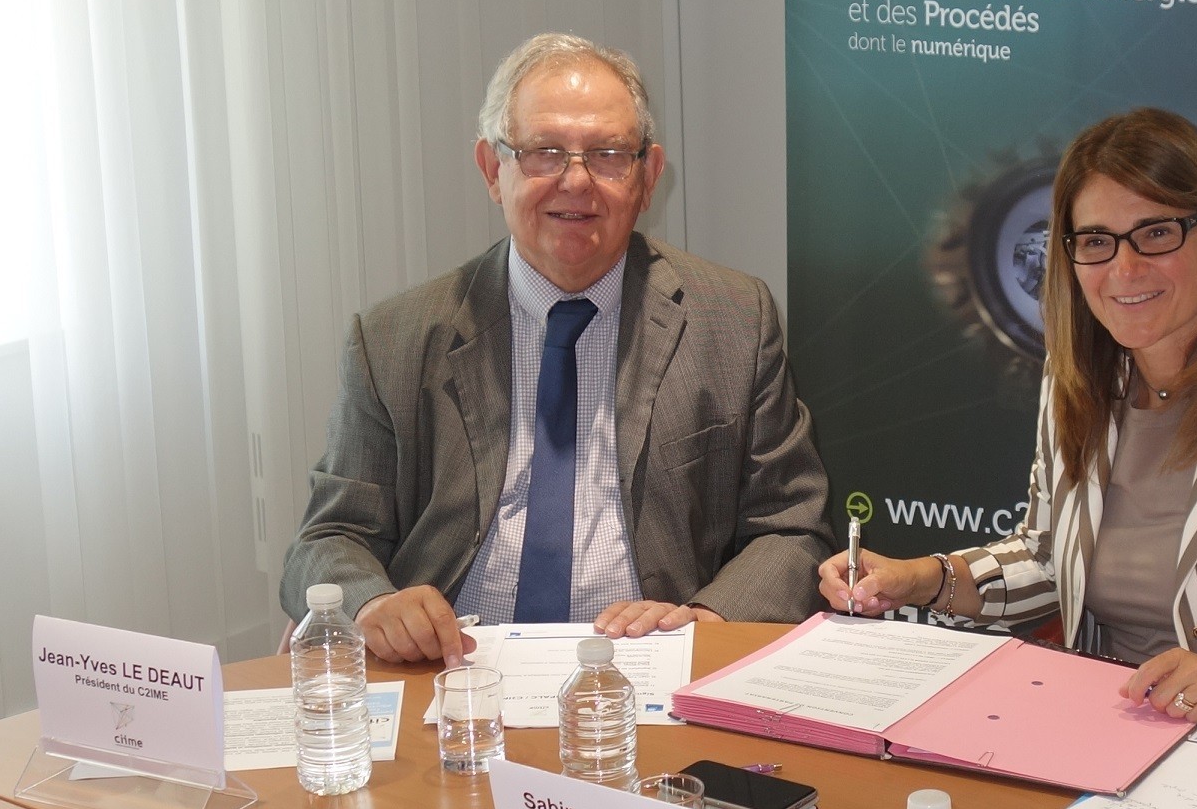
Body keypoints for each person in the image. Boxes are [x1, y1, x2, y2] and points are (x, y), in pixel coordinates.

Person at [823, 107, 1197, 760]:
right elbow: (1047, 561)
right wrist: (922, 578)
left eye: (1156, 234)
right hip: (1117, 745)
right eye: (1096, 241)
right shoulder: (1077, 381)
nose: (1124, 268)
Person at [283, 32, 828, 660]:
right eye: (544, 152)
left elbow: (792, 527)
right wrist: (374, 605)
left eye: (608, 155)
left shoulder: (732, 321)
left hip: (646, 661)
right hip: (455, 667)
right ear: (493, 170)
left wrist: (705, 622)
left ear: (648, 177)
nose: (576, 181)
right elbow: (330, 537)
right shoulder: (393, 339)